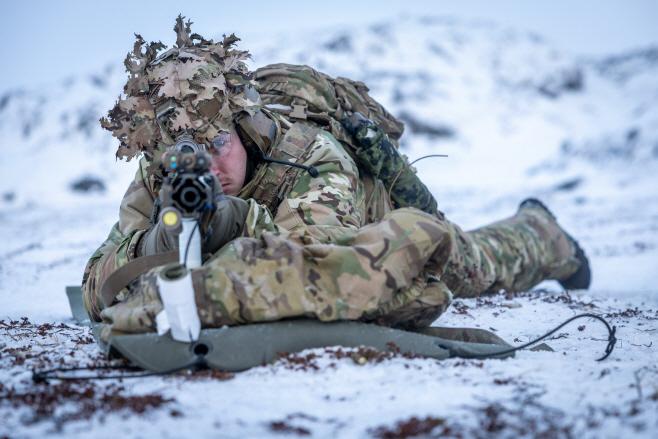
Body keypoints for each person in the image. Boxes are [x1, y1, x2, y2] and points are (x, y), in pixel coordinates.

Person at [82, 17, 590, 337]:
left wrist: (233, 220)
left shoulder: (310, 156)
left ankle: (544, 233)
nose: (207, 171)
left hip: (375, 226)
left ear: (243, 126)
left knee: (476, 267)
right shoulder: (163, 175)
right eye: (184, 157)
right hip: (286, 249)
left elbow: (321, 270)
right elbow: (94, 286)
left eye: (218, 146)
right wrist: (156, 243)